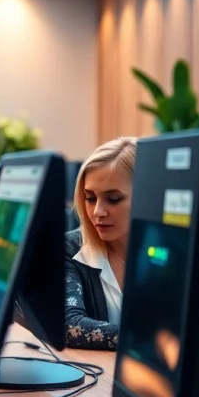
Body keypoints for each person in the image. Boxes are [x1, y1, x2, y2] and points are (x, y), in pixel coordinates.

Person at [65, 136, 137, 350]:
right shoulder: (69, 249)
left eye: (113, 199)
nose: (97, 212)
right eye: (90, 198)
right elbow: (70, 326)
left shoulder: (178, 252)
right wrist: (147, 342)